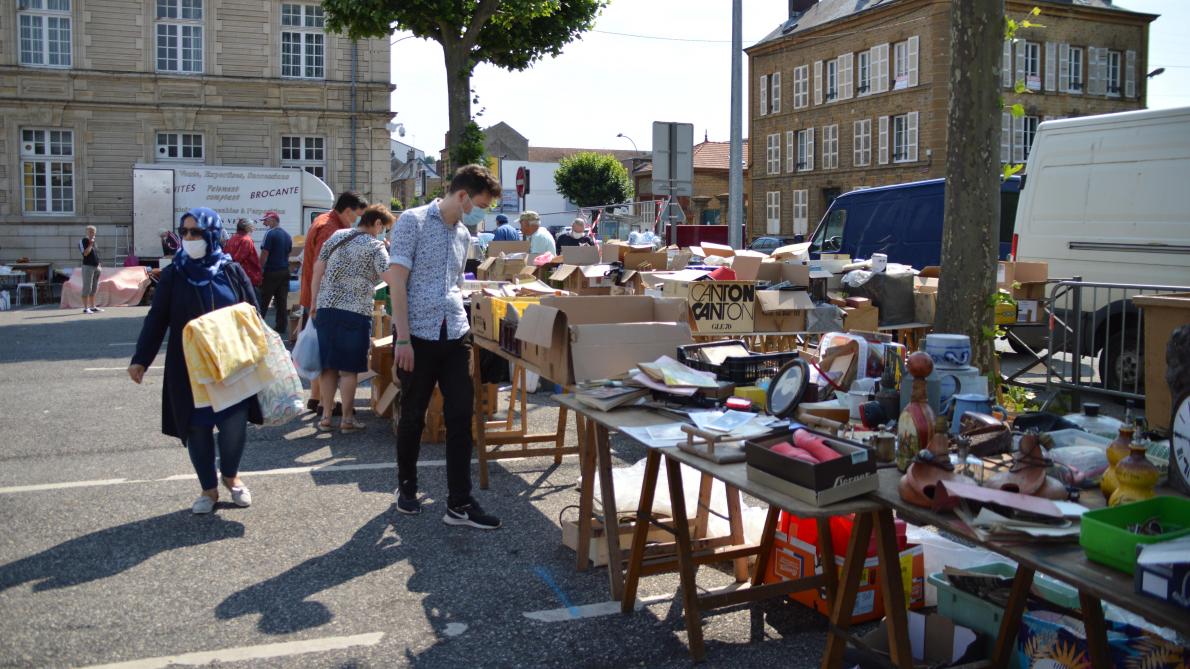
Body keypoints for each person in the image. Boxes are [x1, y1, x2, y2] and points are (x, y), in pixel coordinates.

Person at [383, 164, 502, 530]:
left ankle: (459, 503)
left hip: (455, 334)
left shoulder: (463, 233)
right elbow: (396, 283)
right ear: (463, 195)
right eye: (480, 203)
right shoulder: (413, 222)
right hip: (416, 334)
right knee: (414, 414)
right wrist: (401, 338)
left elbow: (452, 283)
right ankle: (407, 488)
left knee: (461, 416)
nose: (480, 210)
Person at [128, 208, 262, 514]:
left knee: (234, 427)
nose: (189, 238)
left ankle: (231, 476)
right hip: (189, 367)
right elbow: (157, 318)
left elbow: (253, 313)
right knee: (197, 428)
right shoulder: (175, 273)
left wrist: (269, 350)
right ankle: (208, 489)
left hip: (232, 365)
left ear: (212, 235)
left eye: (196, 232)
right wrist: (141, 359)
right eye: (185, 232)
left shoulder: (231, 270)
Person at [308, 205, 395, 432]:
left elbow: (318, 270)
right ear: (377, 224)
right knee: (348, 369)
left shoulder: (337, 236)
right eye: (383, 228)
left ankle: (326, 417)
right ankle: (347, 419)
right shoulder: (375, 246)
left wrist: (314, 302)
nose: (382, 232)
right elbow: (389, 277)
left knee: (328, 366)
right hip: (355, 311)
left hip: (326, 307)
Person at [300, 191, 369, 414]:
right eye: (357, 216)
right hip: (321, 299)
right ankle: (323, 404)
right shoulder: (331, 229)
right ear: (348, 211)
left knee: (321, 351)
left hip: (314, 296)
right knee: (329, 357)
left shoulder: (324, 220)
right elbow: (325, 266)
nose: (357, 222)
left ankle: (315, 397)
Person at [257, 211, 293, 336]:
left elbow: (264, 254)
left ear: (273, 219)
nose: (265, 223)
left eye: (266, 220)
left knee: (263, 300)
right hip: (284, 271)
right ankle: (281, 327)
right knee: (281, 301)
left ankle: (258, 327)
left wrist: (259, 270)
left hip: (271, 271)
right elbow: (288, 254)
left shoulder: (270, 234)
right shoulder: (287, 235)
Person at [223, 219, 263, 290]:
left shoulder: (233, 238)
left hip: (232, 275)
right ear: (247, 227)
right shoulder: (246, 240)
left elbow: (226, 254)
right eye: (252, 226)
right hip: (246, 276)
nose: (254, 228)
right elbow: (238, 259)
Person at [79, 226, 102, 314]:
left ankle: (92, 307)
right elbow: (85, 253)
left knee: (94, 288)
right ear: (87, 232)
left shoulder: (94, 242)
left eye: (93, 232)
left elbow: (96, 254)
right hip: (87, 267)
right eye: (90, 232)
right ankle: (85, 308)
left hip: (96, 267)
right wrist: (91, 244)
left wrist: (99, 264)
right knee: (87, 287)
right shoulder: (84, 241)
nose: (92, 233)